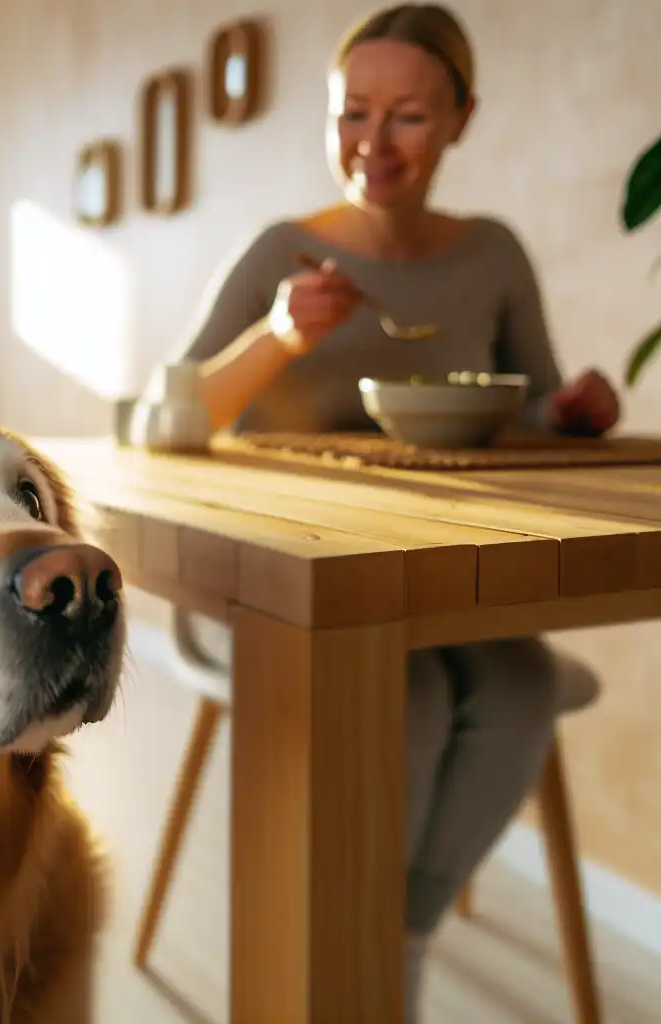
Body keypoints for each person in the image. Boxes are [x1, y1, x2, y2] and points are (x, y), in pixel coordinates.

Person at [146, 3, 621, 1021]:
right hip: (267, 583)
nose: (373, 143)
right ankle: (348, 957)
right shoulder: (283, 249)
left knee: (522, 681)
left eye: (407, 116)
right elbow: (163, 415)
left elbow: (526, 400)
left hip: (433, 570)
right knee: (394, 695)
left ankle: (396, 940)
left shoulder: (491, 251)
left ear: (461, 119)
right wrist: (275, 336)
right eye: (351, 112)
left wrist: (571, 410)